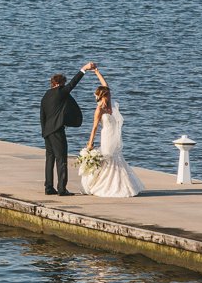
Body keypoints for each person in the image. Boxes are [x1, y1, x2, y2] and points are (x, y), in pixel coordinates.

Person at [80, 67, 145, 197]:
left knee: (117, 157)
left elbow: (105, 85)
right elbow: (94, 128)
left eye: (109, 95)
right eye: (107, 96)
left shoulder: (111, 105)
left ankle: (122, 184)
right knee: (109, 158)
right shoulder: (99, 110)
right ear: (101, 96)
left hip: (115, 136)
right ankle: (103, 185)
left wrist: (97, 72)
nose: (109, 97)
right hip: (106, 137)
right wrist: (90, 144)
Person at [40, 61, 95, 196]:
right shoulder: (60, 92)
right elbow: (73, 84)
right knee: (61, 159)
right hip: (57, 131)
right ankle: (62, 189)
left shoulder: (46, 95)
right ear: (60, 84)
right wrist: (84, 69)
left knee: (50, 159)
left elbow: (42, 115)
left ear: (52, 83)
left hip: (47, 132)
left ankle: (48, 187)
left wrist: (44, 132)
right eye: (63, 84)